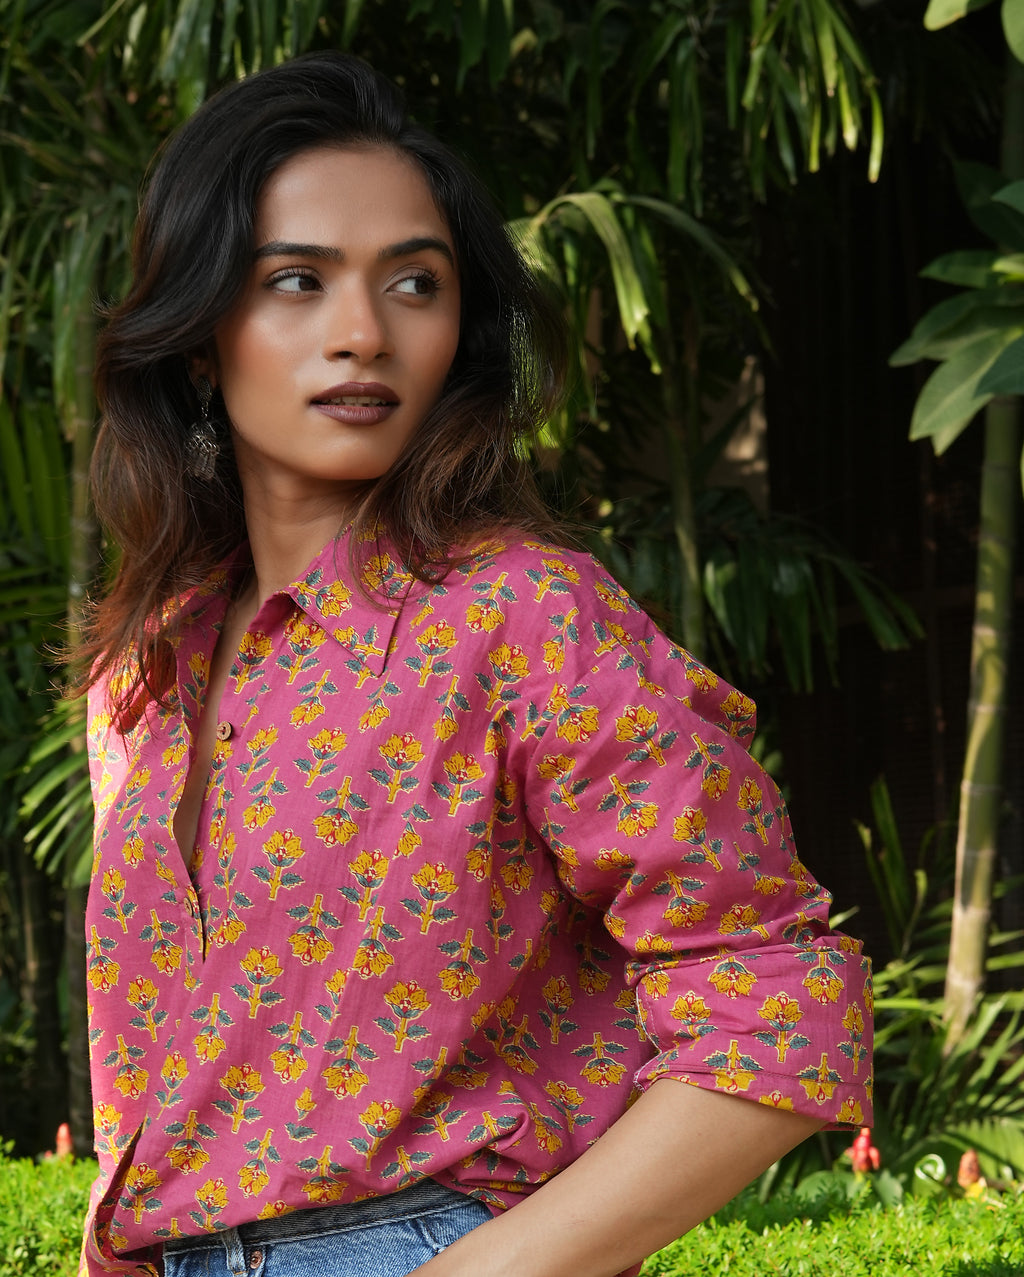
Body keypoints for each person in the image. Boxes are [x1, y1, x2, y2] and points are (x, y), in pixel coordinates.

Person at [79, 51, 872, 1277]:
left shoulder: (526, 620)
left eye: (414, 283)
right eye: (296, 280)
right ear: (196, 337)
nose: (362, 334)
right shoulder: (144, 673)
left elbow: (780, 1000)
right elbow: (164, 1084)